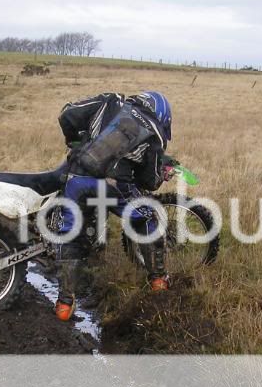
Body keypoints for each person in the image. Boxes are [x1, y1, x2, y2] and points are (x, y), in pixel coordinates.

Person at [52, 91, 175, 321]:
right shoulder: (154, 132)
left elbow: (67, 115)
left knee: (69, 236)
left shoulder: (109, 101)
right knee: (148, 218)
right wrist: (162, 175)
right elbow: (150, 181)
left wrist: (75, 141)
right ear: (162, 113)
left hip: (76, 180)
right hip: (114, 186)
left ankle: (64, 305)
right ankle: (158, 281)